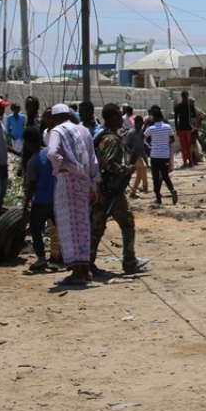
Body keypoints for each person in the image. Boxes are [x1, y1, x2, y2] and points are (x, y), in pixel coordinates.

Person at [91, 103, 148, 276]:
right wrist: (127, 169)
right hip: (112, 191)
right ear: (112, 118)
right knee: (127, 222)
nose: (121, 119)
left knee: (97, 227)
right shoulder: (112, 140)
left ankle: (87, 263)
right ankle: (129, 262)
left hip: (102, 189)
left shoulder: (103, 136)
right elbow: (109, 164)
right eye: (118, 115)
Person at [47, 103, 100, 285]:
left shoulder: (56, 131)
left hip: (67, 181)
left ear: (55, 118)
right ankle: (86, 270)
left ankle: (76, 272)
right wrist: (94, 187)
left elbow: (52, 153)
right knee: (82, 225)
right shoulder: (84, 130)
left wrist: (64, 166)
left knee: (68, 226)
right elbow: (93, 160)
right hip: (85, 182)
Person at [21, 125, 55, 272]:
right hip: (55, 199)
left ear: (28, 143)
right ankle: (70, 258)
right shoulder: (51, 153)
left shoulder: (32, 162)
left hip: (40, 202)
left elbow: (32, 185)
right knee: (61, 229)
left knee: (35, 230)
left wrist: (26, 206)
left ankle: (41, 258)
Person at [143, 105, 178, 205]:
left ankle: (158, 198)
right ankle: (172, 190)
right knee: (165, 175)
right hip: (165, 155)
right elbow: (172, 140)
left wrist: (146, 124)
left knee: (155, 177)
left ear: (154, 117)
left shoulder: (152, 128)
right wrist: (165, 143)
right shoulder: (168, 127)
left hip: (155, 155)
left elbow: (142, 136)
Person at [124, 114, 150, 197]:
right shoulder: (131, 132)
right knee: (144, 167)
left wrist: (147, 145)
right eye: (140, 124)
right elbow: (126, 144)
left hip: (141, 154)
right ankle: (145, 186)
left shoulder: (141, 131)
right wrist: (131, 152)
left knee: (139, 175)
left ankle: (133, 192)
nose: (141, 125)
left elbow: (142, 141)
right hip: (134, 156)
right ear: (136, 123)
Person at [173, 91, 195, 167]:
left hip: (181, 128)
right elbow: (194, 115)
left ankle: (186, 162)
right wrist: (188, 116)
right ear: (187, 96)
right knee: (188, 145)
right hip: (188, 128)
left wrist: (177, 129)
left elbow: (176, 119)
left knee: (184, 146)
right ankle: (190, 162)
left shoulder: (178, 106)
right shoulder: (190, 106)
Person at [189, 96, 206, 164]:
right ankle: (197, 157)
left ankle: (197, 158)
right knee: (194, 144)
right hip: (191, 129)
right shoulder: (189, 110)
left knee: (193, 144)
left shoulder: (195, 109)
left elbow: (204, 115)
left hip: (194, 129)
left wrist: (198, 122)